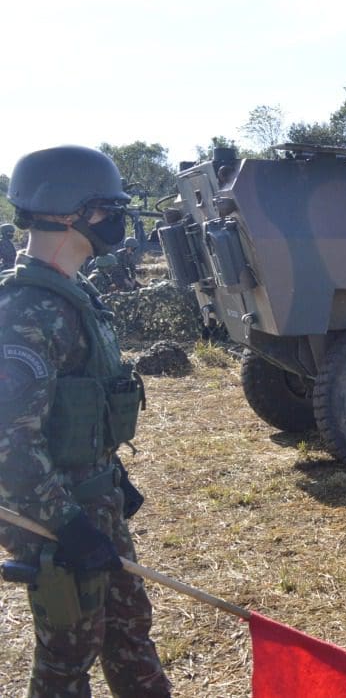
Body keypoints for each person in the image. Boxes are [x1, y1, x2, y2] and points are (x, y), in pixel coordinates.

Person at [0, 145, 171, 696]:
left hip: (96, 502)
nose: (115, 219)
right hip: (53, 517)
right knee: (68, 654)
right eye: (107, 208)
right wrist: (69, 525)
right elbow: (10, 445)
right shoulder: (25, 312)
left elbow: (85, 404)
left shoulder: (75, 294)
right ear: (69, 212)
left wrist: (111, 481)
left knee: (128, 629)